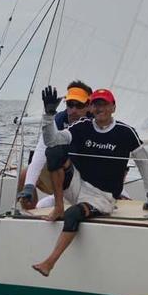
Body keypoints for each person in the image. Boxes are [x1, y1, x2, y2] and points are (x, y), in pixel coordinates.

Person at [32, 86, 148, 277]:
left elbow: (143, 161)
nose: (99, 108)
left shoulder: (125, 132)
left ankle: (49, 262)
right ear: (91, 107)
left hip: (102, 197)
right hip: (77, 185)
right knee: (54, 152)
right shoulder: (81, 127)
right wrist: (49, 115)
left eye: (104, 104)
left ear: (113, 107)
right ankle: (58, 206)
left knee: (73, 215)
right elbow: (52, 141)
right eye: (95, 104)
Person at [16, 81, 92, 210]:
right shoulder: (57, 120)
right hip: (64, 181)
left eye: (79, 105)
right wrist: (29, 186)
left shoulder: (96, 124)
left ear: (89, 106)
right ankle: (28, 216)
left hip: (89, 183)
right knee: (25, 173)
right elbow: (41, 151)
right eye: (70, 104)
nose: (73, 110)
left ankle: (61, 201)